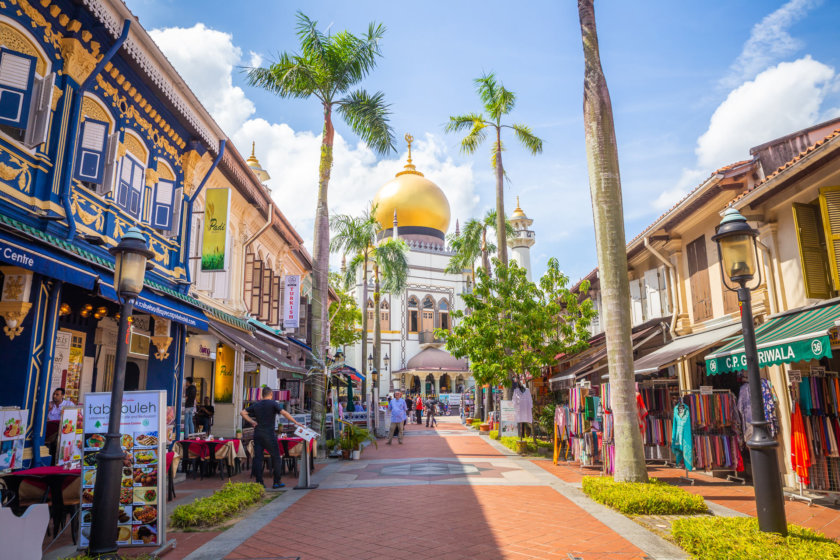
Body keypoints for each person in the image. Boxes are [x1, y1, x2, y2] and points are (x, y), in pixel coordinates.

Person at [240, 386, 304, 489]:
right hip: (269, 434)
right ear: (270, 394)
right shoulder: (273, 403)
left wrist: (252, 421)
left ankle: (259, 482)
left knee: (258, 458)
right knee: (276, 457)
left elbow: (242, 412)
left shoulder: (256, 404)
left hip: (258, 434)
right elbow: (285, 413)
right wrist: (296, 422)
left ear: (262, 395)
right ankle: (276, 482)